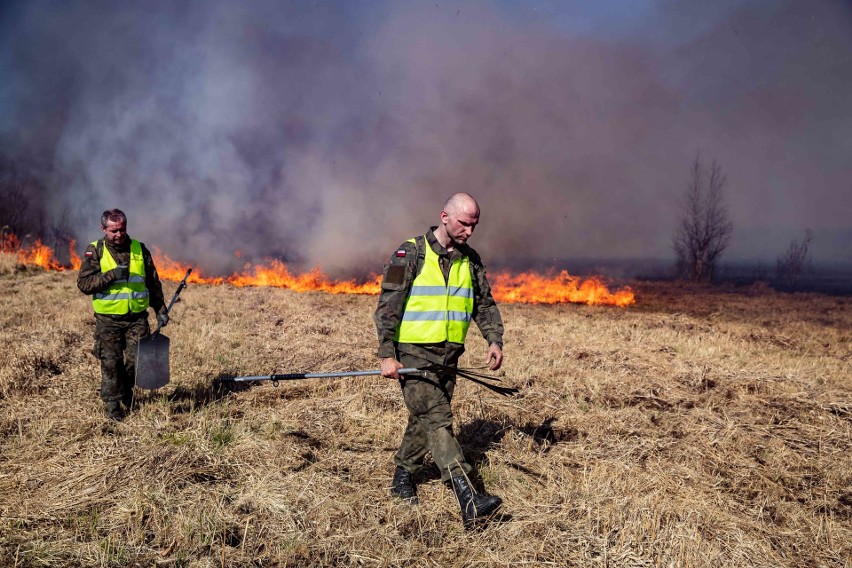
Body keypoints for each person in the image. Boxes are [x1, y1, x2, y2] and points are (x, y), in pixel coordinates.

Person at [374, 192, 505, 528]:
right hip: (414, 355)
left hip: (449, 356)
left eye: (474, 225)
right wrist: (387, 354)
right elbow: (389, 306)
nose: (470, 231)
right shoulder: (410, 253)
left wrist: (494, 339)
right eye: (464, 223)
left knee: (424, 421)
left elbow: (484, 304)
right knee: (438, 418)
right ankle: (469, 497)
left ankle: (403, 476)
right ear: (444, 217)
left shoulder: (470, 259)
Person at [77, 209, 168, 421]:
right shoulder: (96, 251)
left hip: (137, 318)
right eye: (114, 230)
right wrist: (112, 275)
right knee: (111, 363)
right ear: (104, 229)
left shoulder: (139, 249)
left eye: (123, 229)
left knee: (137, 361)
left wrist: (160, 309)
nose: (119, 234)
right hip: (108, 321)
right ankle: (112, 407)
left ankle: (127, 392)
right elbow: (84, 284)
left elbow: (153, 283)